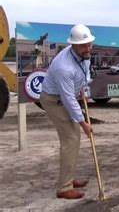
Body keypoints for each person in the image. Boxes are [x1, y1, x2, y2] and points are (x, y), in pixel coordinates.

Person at [40, 24, 94, 199]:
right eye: (84, 45)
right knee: (71, 138)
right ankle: (64, 188)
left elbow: (84, 76)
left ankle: (69, 178)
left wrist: (83, 90)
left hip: (64, 98)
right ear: (74, 45)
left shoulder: (84, 55)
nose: (88, 48)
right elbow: (68, 100)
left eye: (89, 44)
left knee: (73, 137)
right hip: (53, 101)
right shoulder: (64, 67)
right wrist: (84, 122)